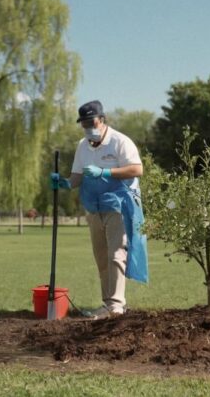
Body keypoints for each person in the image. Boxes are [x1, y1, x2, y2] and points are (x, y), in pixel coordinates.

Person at [50, 100, 146, 320]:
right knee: (101, 258)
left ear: (102, 120)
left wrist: (105, 172)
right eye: (83, 124)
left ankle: (116, 305)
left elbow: (137, 169)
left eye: (91, 122)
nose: (88, 128)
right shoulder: (82, 146)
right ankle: (106, 304)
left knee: (116, 255)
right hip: (94, 207)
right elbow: (77, 177)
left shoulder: (120, 142)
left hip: (119, 205)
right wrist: (64, 183)